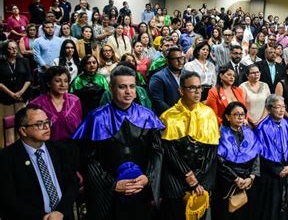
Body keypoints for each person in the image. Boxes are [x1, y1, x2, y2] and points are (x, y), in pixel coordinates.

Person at [72, 65, 165, 220]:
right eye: (122, 87)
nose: (128, 92)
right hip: (108, 195)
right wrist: (112, 185)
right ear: (110, 87)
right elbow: (88, 159)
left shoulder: (147, 116)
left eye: (132, 86)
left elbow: (157, 151)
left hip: (142, 188)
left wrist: (148, 177)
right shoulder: (96, 118)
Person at [0, 104, 79, 220]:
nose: (47, 127)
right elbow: (9, 199)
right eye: (39, 124)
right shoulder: (6, 158)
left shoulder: (61, 150)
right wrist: (44, 217)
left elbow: (72, 184)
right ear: (23, 130)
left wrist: (60, 212)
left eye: (47, 122)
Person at [159, 71, 220, 220]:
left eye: (199, 87)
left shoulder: (209, 114)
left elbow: (212, 149)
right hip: (176, 178)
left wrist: (198, 177)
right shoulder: (168, 116)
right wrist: (188, 175)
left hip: (202, 177)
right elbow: (169, 151)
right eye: (192, 88)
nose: (197, 92)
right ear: (181, 90)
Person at [211, 101, 261, 220]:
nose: (240, 117)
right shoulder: (220, 133)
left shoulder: (249, 132)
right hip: (227, 181)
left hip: (247, 180)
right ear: (227, 117)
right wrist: (236, 178)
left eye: (242, 114)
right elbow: (219, 161)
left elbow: (256, 155)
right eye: (236, 114)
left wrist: (251, 177)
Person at [253, 94, 288, 220]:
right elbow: (261, 152)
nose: (282, 110)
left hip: (286, 171)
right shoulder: (263, 128)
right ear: (269, 108)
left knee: (284, 203)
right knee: (270, 205)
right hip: (270, 174)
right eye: (278, 107)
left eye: (283, 107)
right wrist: (278, 169)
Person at [30, 66, 82, 141]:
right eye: (58, 81)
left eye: (66, 81)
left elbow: (79, 127)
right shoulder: (36, 104)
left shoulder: (75, 101)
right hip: (47, 147)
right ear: (48, 83)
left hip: (73, 146)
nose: (63, 84)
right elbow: (33, 132)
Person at [0, 40, 32, 147]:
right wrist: (11, 94)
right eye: (10, 48)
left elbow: (29, 79)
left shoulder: (24, 61)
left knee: (21, 124)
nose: (14, 50)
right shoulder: (1, 63)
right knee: (6, 125)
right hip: (5, 99)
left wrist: (20, 92)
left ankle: (22, 146)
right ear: (5, 50)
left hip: (21, 97)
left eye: (15, 47)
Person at [149, 46, 183, 116]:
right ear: (167, 61)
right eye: (176, 59)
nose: (180, 61)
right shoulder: (158, 77)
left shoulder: (187, 74)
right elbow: (158, 102)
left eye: (181, 58)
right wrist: (175, 114)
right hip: (169, 117)